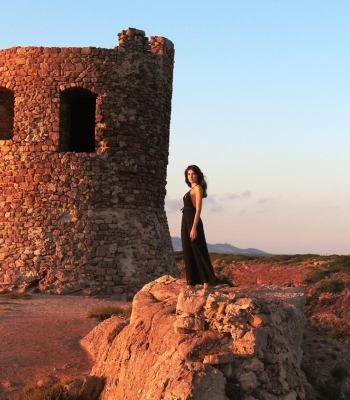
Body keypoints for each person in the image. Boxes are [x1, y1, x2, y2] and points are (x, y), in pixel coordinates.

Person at [181, 165, 216, 294]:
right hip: (186, 222)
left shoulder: (198, 188)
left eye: (193, 174)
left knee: (199, 250)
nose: (191, 176)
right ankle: (191, 282)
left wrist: (194, 227)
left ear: (198, 175)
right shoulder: (191, 189)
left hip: (193, 222)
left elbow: (198, 209)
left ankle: (207, 282)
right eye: (189, 174)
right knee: (188, 250)